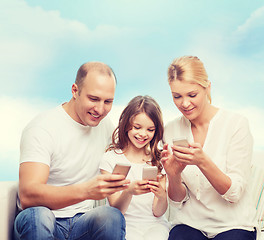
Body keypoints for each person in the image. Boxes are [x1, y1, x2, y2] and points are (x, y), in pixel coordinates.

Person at [14, 62, 130, 240]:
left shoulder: (105, 126)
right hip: (44, 220)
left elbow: (132, 152)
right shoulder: (42, 128)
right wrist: (86, 191)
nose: (100, 109)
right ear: (75, 91)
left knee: (111, 217)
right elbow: (28, 195)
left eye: (108, 101)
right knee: (37, 216)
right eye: (93, 99)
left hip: (82, 222)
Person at [162, 56, 258, 240]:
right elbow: (177, 200)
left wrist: (202, 161)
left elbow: (235, 193)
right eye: (177, 96)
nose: (185, 104)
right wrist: (173, 175)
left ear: (207, 88)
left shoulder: (236, 124)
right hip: (190, 224)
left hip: (233, 225)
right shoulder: (171, 130)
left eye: (192, 95)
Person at [100, 95, 170, 240]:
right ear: (126, 125)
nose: (143, 134)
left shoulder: (158, 160)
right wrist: (129, 192)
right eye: (137, 127)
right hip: (123, 226)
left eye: (150, 130)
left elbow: (158, 212)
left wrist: (162, 196)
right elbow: (116, 211)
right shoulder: (111, 159)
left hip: (154, 226)